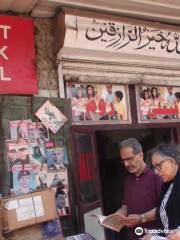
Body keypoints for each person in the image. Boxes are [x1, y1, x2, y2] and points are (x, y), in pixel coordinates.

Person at [117, 138, 162, 240]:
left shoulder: (157, 176)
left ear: (141, 155)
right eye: (123, 160)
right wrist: (118, 214)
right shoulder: (128, 180)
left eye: (129, 159)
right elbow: (126, 205)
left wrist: (140, 218)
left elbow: (166, 208)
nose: (126, 164)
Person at [142, 143, 180, 240]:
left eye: (158, 166)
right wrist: (155, 233)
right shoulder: (168, 185)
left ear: (172, 161)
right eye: (154, 167)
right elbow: (165, 218)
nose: (156, 172)